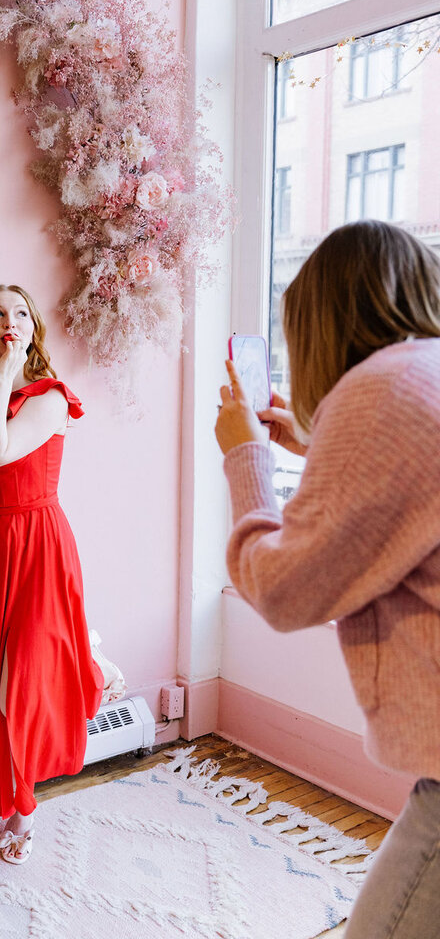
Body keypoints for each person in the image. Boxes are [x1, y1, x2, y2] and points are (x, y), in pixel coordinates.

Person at [214, 221, 440, 938]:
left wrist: (245, 457)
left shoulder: (379, 391)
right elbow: (405, 503)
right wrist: (314, 444)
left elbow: (282, 591)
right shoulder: (425, 375)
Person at [0, 284, 103, 864]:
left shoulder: (50, 396)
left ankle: (25, 806)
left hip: (38, 545)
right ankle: (8, 795)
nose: (10, 321)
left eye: (21, 314)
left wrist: (2, 377)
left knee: (20, 681)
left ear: (33, 329)